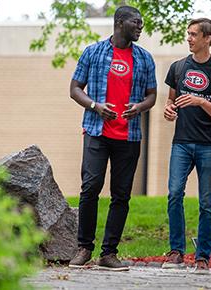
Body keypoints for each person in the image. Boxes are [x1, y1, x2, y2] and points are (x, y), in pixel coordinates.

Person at [68, 5, 157, 271]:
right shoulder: (93, 52)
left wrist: (139, 107)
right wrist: (96, 106)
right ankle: (84, 248)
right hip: (97, 132)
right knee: (91, 187)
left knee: (121, 194)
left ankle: (109, 254)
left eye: (142, 23)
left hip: (129, 136)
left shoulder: (145, 58)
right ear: (120, 22)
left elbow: (151, 96)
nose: (140, 27)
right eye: (136, 22)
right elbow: (74, 89)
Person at [162, 18, 211, 271]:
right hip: (181, 143)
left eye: (194, 35)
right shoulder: (178, 68)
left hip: (209, 145)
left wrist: (200, 101)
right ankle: (175, 252)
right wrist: (169, 110)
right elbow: (171, 101)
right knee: (173, 195)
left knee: (206, 202)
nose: (189, 38)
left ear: (208, 39)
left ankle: (203, 256)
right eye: (188, 33)